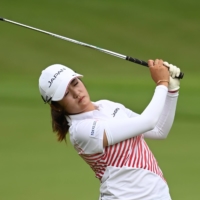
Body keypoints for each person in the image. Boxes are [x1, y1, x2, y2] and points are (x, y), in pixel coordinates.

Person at [38, 59, 181, 200]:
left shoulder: (106, 105)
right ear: (56, 106)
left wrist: (172, 90)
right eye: (66, 94)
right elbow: (148, 121)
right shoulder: (82, 131)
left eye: (75, 83)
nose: (76, 93)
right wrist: (162, 83)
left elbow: (158, 130)